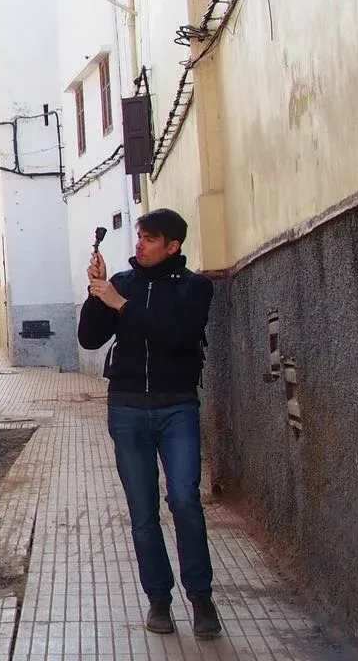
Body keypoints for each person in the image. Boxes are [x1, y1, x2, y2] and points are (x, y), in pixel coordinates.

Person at [78, 208, 221, 640]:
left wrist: (122, 304)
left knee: (184, 501)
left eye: (148, 238)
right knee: (143, 511)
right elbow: (89, 337)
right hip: (126, 408)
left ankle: (201, 599)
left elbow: (176, 337)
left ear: (172, 246)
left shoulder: (195, 287)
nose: (138, 244)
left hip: (177, 405)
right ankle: (159, 599)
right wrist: (97, 291)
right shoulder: (122, 283)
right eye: (138, 236)